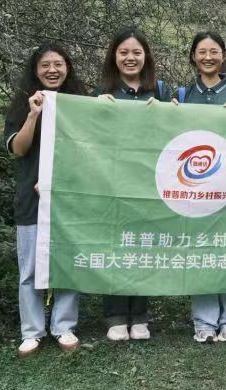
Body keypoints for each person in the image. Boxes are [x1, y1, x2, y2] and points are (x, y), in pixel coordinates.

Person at [4, 42, 87, 357]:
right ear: (35, 70)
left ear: (67, 68)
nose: (52, 70)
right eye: (45, 65)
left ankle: (64, 326)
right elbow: (18, 149)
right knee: (29, 268)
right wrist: (33, 115)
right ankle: (32, 331)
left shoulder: (80, 103)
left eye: (58, 64)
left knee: (68, 264)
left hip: (70, 199)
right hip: (31, 198)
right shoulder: (23, 104)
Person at [95, 27, 171, 342]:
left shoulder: (160, 90)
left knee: (143, 247)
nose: (130, 58)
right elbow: (91, 135)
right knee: (116, 245)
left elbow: (174, 130)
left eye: (136, 52)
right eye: (124, 52)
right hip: (113, 182)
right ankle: (115, 316)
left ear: (146, 57)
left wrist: (169, 111)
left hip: (150, 182)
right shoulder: (103, 92)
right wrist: (96, 109)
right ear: (114, 56)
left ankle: (139, 315)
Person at [173, 30, 226, 344]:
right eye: (202, 52)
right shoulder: (182, 94)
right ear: (193, 56)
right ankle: (204, 320)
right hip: (194, 186)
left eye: (214, 51)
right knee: (201, 250)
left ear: (223, 56)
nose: (208, 57)